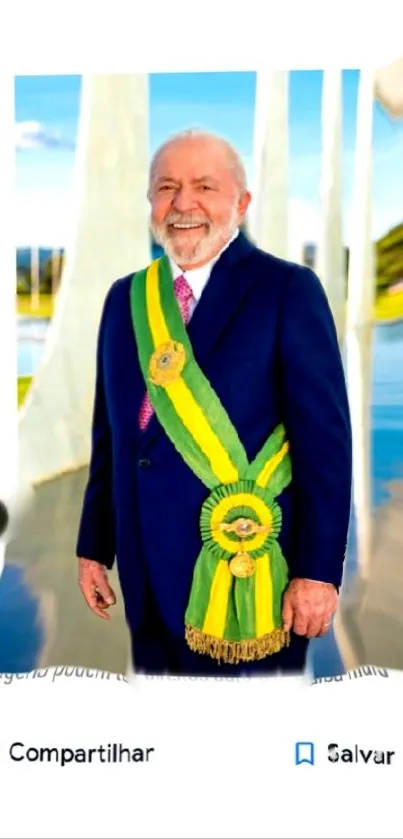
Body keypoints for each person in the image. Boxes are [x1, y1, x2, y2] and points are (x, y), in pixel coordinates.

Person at [76, 128, 352, 677]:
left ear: (242, 203)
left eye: (205, 186)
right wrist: (94, 545)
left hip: (250, 573)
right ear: (150, 201)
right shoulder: (124, 297)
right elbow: (111, 435)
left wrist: (319, 572)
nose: (182, 204)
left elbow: (325, 448)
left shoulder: (288, 289)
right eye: (166, 187)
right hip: (142, 568)